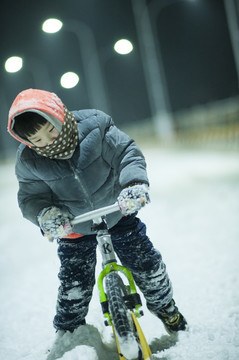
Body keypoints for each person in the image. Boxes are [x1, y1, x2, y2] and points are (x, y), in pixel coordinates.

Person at [8, 88, 187, 336]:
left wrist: (133, 184)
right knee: (74, 284)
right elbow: (31, 197)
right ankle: (69, 334)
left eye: (51, 130)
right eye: (38, 140)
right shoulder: (29, 160)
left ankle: (166, 308)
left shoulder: (95, 127)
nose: (48, 141)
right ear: (28, 142)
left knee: (146, 265)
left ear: (59, 115)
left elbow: (126, 153)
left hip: (116, 212)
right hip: (74, 226)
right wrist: (47, 215)